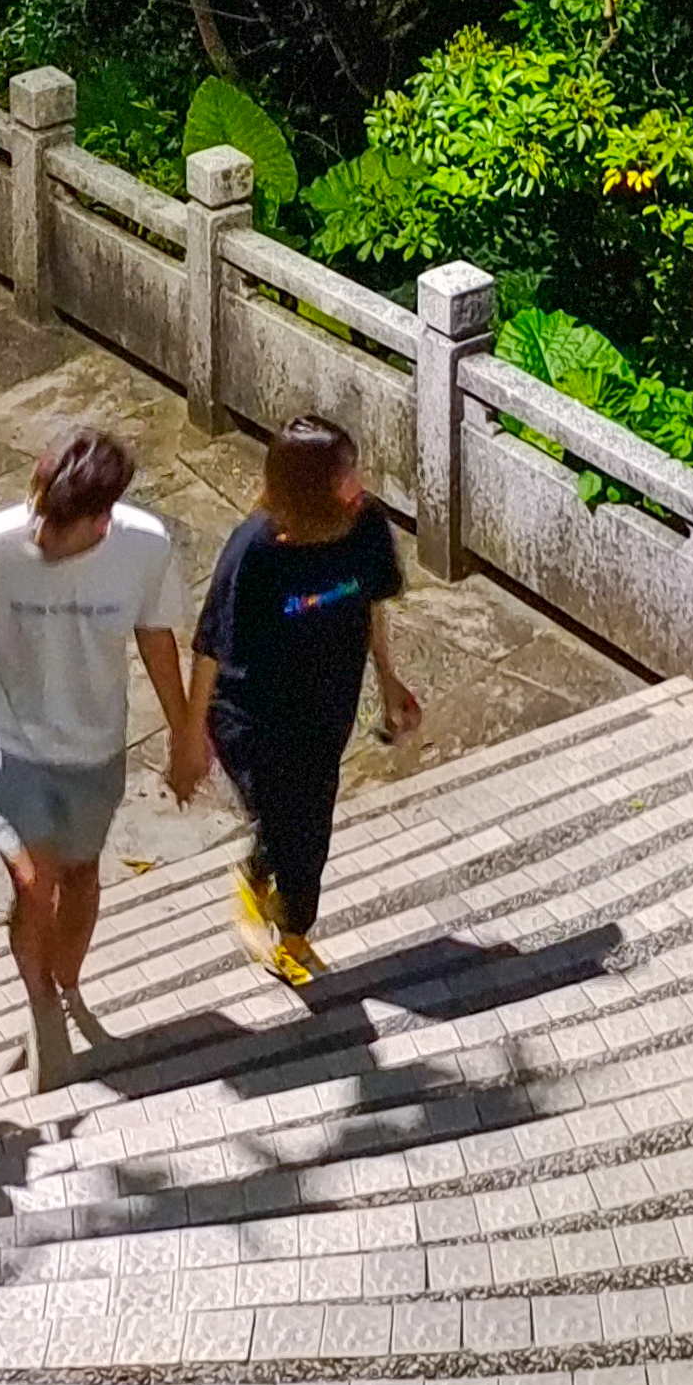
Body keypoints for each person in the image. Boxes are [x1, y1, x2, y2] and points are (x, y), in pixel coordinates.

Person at [0, 425, 200, 1090]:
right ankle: (41, 1003)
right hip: (6, 740)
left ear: (101, 519)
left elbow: (155, 637)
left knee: (81, 876)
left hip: (92, 748)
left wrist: (184, 731)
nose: (40, 535)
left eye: (60, 525)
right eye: (40, 513)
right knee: (35, 880)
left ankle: (64, 980)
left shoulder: (144, 549)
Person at [188, 415, 420, 990]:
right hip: (251, 715)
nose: (358, 485)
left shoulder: (365, 526)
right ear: (309, 488)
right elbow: (211, 645)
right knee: (292, 822)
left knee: (311, 823)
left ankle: (273, 898)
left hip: (326, 706)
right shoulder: (256, 552)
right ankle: (286, 925)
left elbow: (370, 603)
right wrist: (188, 734)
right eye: (344, 477)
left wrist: (389, 680)